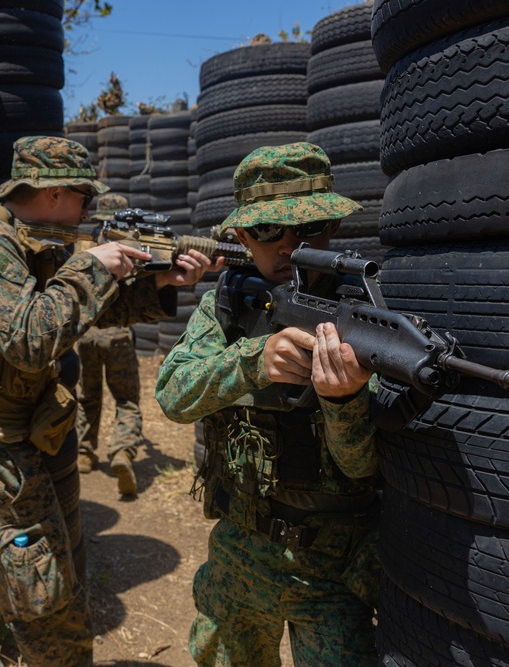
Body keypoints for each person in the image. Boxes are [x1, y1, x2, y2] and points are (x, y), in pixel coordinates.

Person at [0, 136, 223, 667]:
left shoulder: (32, 240)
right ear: (54, 192)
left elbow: (81, 316)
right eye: (83, 196)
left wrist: (162, 281)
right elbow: (32, 341)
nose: (89, 210)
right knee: (55, 618)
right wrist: (94, 265)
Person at [155, 143, 381, 666]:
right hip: (240, 546)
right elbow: (172, 394)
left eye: (307, 230)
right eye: (266, 232)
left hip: (335, 567)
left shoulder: (367, 316)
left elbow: (363, 466)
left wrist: (343, 400)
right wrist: (253, 360)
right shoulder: (228, 303)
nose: (287, 248)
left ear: (333, 229)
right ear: (239, 237)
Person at [74, 193, 143, 496]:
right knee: (125, 399)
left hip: (86, 334)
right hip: (118, 333)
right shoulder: (130, 246)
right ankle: (122, 452)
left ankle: (84, 453)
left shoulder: (83, 245)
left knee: (88, 397)